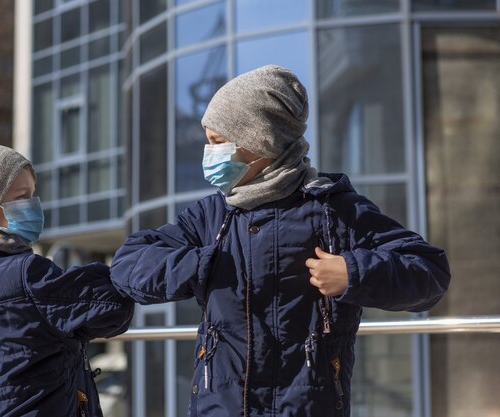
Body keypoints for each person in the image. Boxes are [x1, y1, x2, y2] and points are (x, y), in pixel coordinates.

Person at [110, 65, 450, 417]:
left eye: (216, 142)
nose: (209, 155)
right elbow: (128, 265)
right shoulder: (212, 216)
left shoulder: (336, 211)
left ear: (259, 142)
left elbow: (429, 272)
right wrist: (201, 264)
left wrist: (353, 273)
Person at [0, 143, 134, 417]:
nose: (33, 206)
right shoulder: (27, 273)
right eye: (22, 196)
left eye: (33, 195)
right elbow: (112, 306)